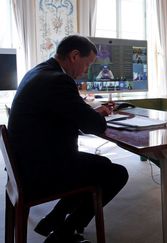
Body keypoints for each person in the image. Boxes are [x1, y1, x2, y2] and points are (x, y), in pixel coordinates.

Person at [7, 35, 129, 243]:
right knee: (116, 173)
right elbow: (94, 125)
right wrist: (95, 114)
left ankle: (54, 219)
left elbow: (63, 115)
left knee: (97, 165)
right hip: (39, 172)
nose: (87, 70)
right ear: (74, 56)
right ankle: (64, 233)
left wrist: (86, 112)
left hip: (23, 165)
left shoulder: (39, 72)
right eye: (87, 64)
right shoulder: (59, 80)